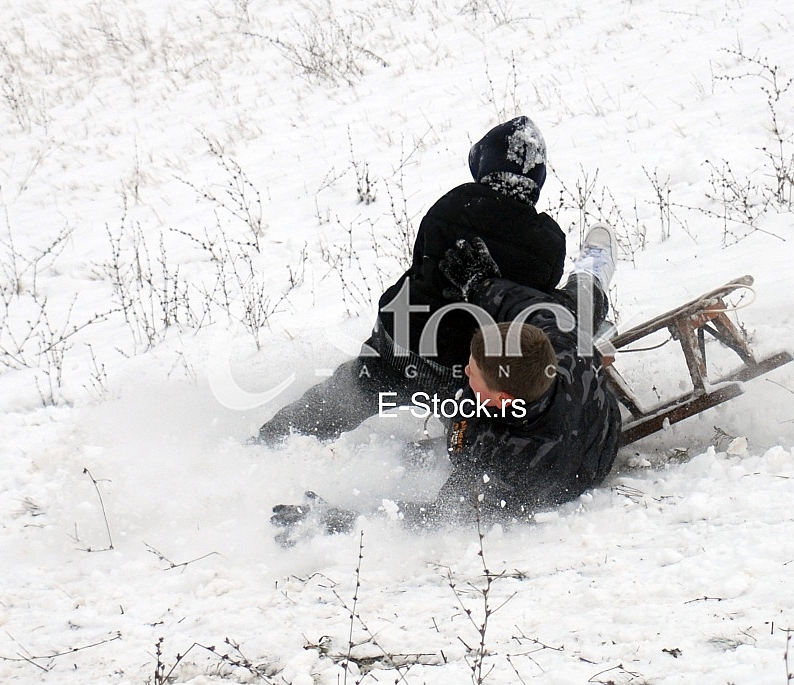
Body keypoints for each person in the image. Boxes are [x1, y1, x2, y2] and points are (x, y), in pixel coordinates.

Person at [271, 226, 623, 537]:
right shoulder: (562, 346)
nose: (466, 371)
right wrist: (480, 282)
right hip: (587, 419)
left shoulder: (504, 464)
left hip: (575, 467)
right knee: (573, 309)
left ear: (500, 398)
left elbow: (436, 517)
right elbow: (523, 304)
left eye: (474, 373)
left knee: (458, 433)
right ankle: (592, 271)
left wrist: (336, 521)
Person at [257, 116, 567, 443]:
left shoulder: (454, 205)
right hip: (469, 372)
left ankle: (274, 439)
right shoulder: (548, 243)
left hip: (401, 342)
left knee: (344, 397)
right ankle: (458, 464)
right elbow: (527, 307)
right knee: (478, 419)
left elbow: (423, 264)